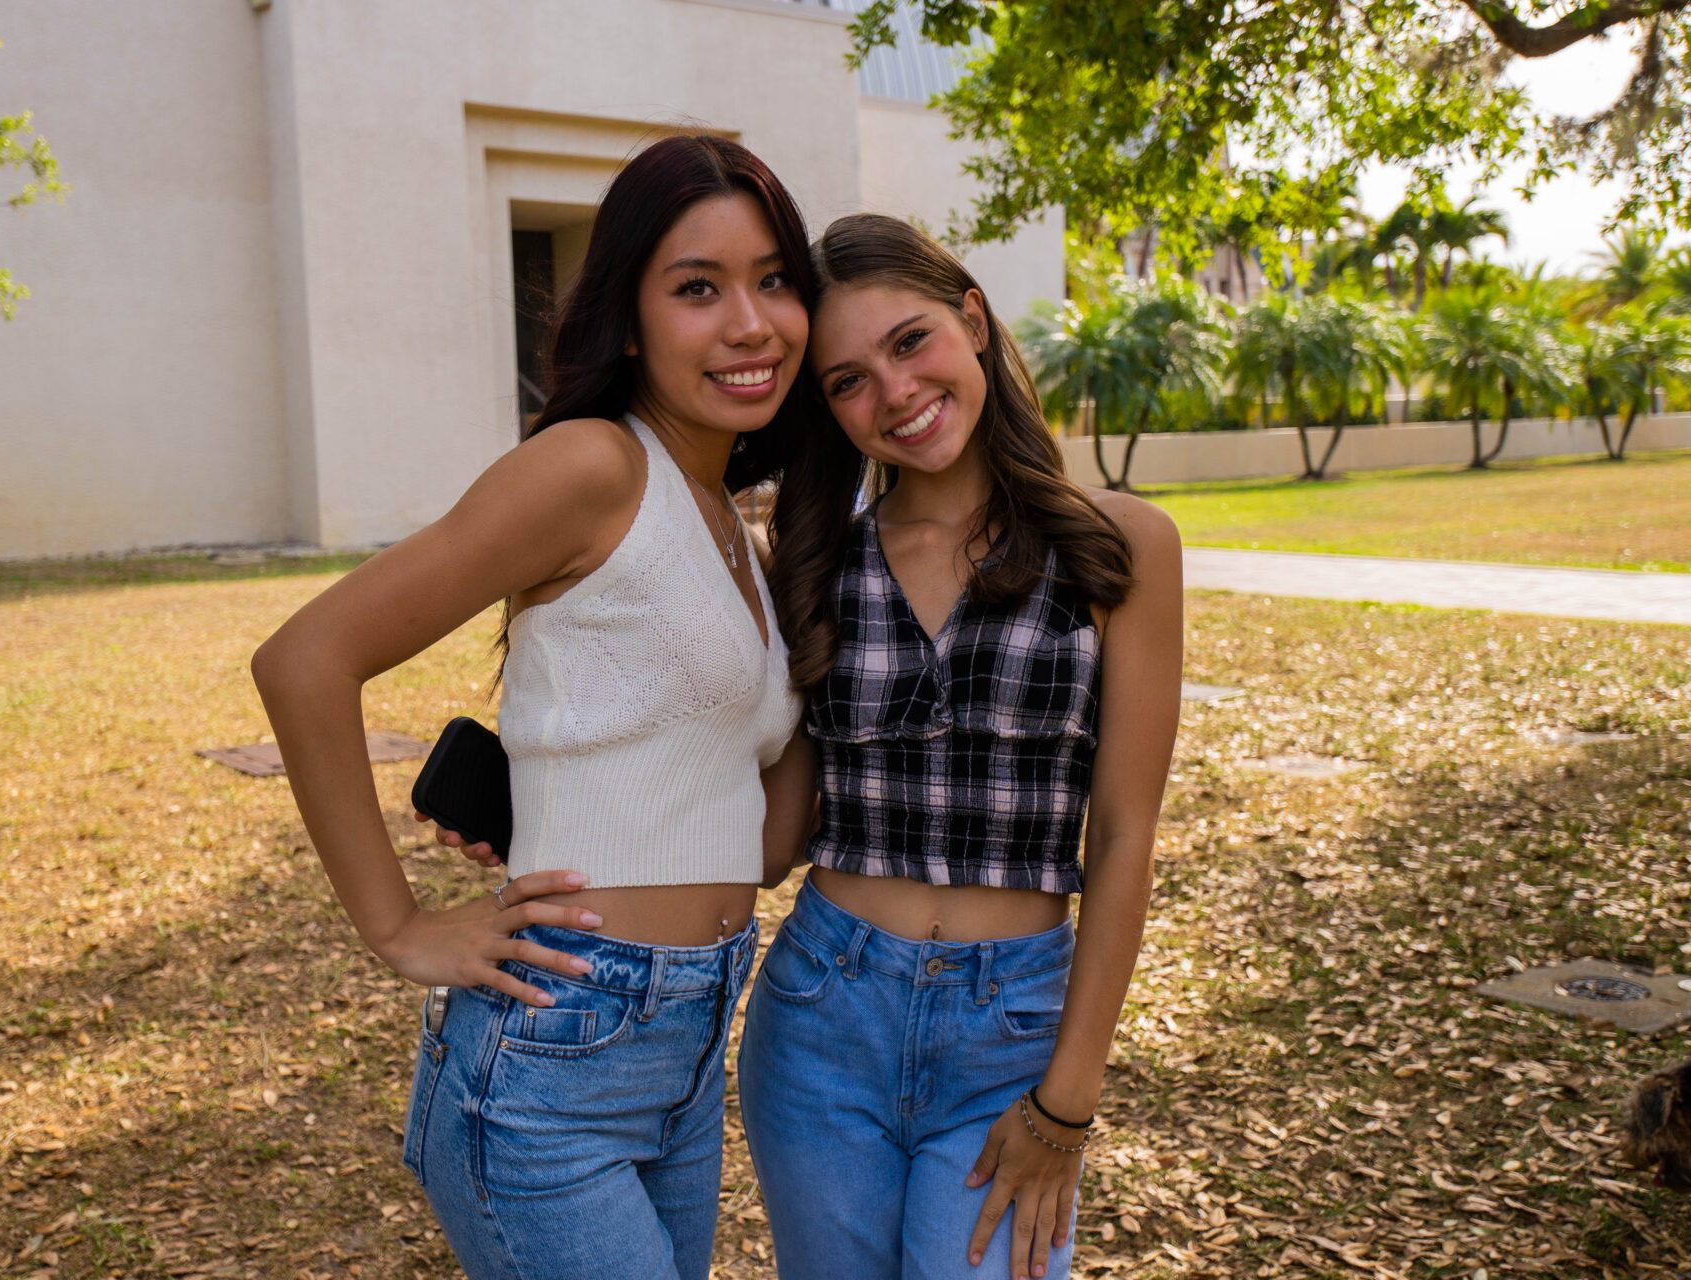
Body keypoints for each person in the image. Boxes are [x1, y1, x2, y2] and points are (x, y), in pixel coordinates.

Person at [250, 134, 814, 1280]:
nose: (751, 322)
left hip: (689, 1041)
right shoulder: (593, 467)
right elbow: (305, 658)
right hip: (556, 1052)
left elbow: (759, 848)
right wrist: (400, 927)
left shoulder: (738, 525)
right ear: (627, 319)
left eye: (774, 279)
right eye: (698, 287)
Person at [743, 213, 1183, 1280]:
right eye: (847, 380)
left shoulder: (1117, 543)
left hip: (1015, 1030)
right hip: (820, 1016)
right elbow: (772, 840)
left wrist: (1065, 1101)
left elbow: (1123, 834)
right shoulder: (814, 564)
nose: (892, 393)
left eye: (910, 342)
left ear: (972, 320)